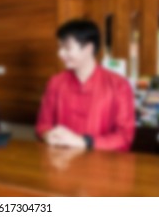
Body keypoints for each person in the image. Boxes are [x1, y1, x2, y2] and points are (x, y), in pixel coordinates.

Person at [36, 20, 135, 151]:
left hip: (103, 164)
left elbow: (125, 136)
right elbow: (43, 125)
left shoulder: (119, 84)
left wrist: (84, 142)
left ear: (88, 48)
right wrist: (48, 135)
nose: (60, 53)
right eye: (59, 47)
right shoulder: (55, 82)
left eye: (67, 48)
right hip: (61, 161)